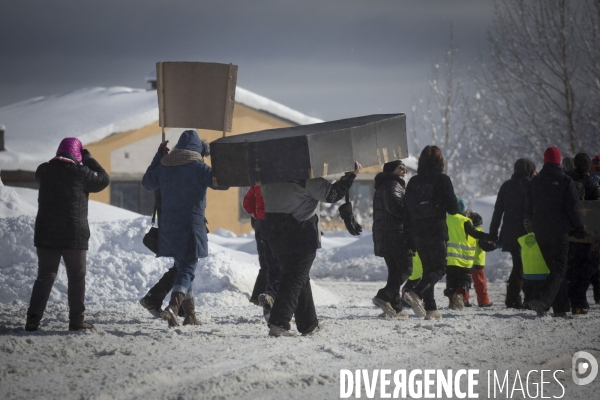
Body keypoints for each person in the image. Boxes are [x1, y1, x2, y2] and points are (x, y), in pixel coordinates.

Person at [261, 161, 363, 337]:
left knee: (299, 277)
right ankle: (279, 322)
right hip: (300, 235)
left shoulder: (270, 180)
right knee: (294, 278)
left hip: (274, 234)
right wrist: (351, 176)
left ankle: (309, 324)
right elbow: (332, 195)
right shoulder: (305, 180)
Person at [142, 130, 227, 327]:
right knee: (188, 267)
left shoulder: (164, 167)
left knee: (182, 267)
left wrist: (159, 156)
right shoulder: (198, 167)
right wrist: (221, 158)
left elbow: (147, 182)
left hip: (169, 226)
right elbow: (222, 183)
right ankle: (173, 307)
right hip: (190, 226)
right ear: (198, 149)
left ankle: (190, 315)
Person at [25, 138, 109, 331]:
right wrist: (88, 159)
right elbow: (104, 179)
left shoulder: (43, 171)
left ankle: (33, 319)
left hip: (46, 235)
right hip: (74, 235)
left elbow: (49, 174)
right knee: (76, 277)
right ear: (77, 155)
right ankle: (76, 321)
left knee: (45, 276)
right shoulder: (81, 173)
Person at [525, 146, 585, 317]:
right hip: (559, 231)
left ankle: (560, 308)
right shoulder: (565, 181)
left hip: (540, 231)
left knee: (553, 269)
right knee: (559, 269)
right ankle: (542, 301)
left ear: (544, 160)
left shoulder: (534, 182)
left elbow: (528, 209)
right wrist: (579, 228)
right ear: (559, 161)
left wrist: (531, 226)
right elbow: (573, 208)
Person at [404, 145, 459, 320]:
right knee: (440, 268)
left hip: (417, 231)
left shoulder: (413, 181)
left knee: (429, 269)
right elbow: (453, 209)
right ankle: (417, 293)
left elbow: (406, 210)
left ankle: (430, 309)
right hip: (436, 229)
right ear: (439, 160)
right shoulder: (442, 180)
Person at [489, 158, 536, 309]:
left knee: (519, 264)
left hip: (509, 232)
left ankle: (517, 298)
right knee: (522, 266)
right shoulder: (532, 185)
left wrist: (493, 233)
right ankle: (516, 298)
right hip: (527, 232)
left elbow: (497, 212)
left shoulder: (506, 186)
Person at [371, 160, 412, 318]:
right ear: (391, 170)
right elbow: (396, 208)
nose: (404, 171)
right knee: (406, 268)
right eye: (400, 168)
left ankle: (396, 307)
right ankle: (383, 296)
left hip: (386, 235)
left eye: (405, 169)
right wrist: (411, 211)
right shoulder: (393, 185)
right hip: (395, 234)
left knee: (395, 270)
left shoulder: (384, 185)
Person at [565, 152, 600, 314]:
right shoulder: (593, 184)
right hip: (587, 234)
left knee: (570, 269)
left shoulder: (567, 181)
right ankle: (579, 302)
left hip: (569, 232)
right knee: (584, 269)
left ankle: (569, 301)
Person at [444, 199, 493, 310]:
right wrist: (488, 236)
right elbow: (474, 233)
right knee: (464, 279)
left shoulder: (445, 219)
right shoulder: (464, 220)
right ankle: (459, 295)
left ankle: (452, 302)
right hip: (462, 260)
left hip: (449, 259)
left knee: (451, 281)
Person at [242, 185, 282, 321]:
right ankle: (271, 300)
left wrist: (257, 213)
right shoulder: (280, 182)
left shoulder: (258, 183)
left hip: (261, 223)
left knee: (267, 263)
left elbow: (247, 202)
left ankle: (263, 299)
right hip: (276, 223)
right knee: (279, 264)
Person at [464, 211, 495, 307]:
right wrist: (494, 245)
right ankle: (483, 301)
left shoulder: (467, 232)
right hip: (477, 262)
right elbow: (484, 246)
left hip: (467, 261)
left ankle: (464, 301)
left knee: (466, 283)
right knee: (480, 284)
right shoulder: (479, 232)